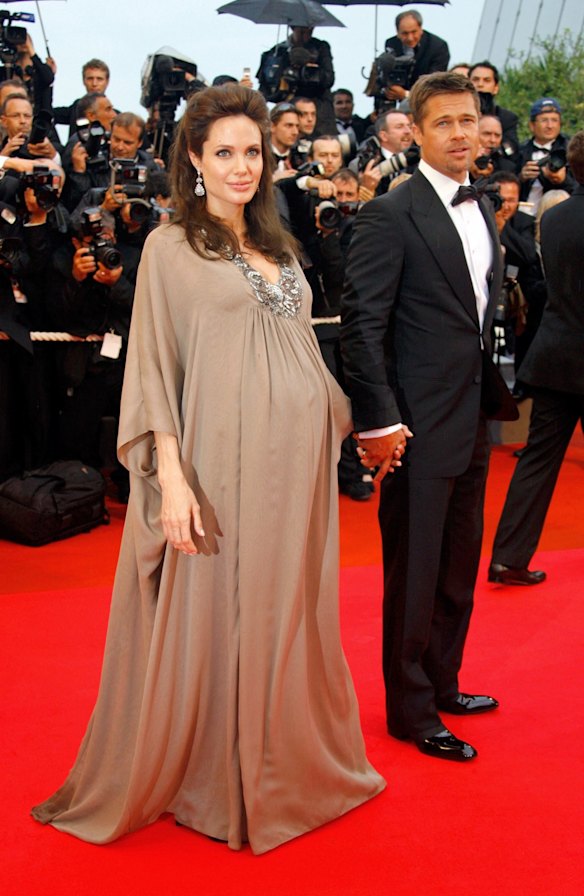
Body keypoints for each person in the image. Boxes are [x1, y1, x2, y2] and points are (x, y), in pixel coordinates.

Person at [31, 84, 385, 853]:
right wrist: (174, 478)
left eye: (252, 151)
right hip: (222, 462)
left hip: (297, 465)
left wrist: (353, 419)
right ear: (192, 158)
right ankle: (223, 771)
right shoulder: (169, 249)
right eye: (223, 152)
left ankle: (286, 758)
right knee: (231, 605)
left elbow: (299, 350)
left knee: (286, 603)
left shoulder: (282, 247)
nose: (240, 166)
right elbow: (154, 367)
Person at [341, 72, 508, 763]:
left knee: (457, 563)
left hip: (472, 418)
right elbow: (361, 325)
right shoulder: (391, 212)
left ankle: (444, 681)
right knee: (413, 571)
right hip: (413, 426)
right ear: (415, 131)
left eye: (468, 120)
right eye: (444, 123)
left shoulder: (485, 205)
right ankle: (410, 711)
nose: (461, 133)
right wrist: (379, 421)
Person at [488, 132, 584, 587]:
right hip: (565, 357)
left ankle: (508, 557)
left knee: (538, 463)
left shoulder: (558, 218)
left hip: (556, 358)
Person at [384, 9, 450, 104]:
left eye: (414, 32)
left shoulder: (438, 47)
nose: (410, 38)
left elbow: (435, 84)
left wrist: (405, 94)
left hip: (426, 101)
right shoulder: (391, 44)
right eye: (405, 33)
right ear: (397, 32)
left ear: (421, 29)